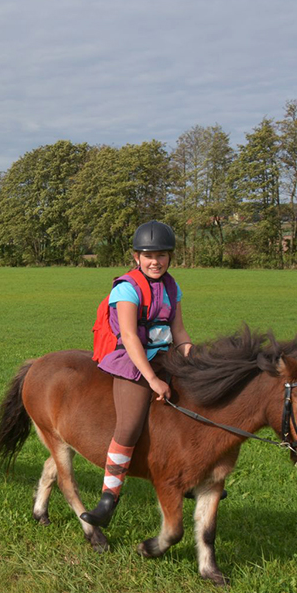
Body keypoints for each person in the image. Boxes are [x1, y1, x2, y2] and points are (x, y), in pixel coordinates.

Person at [80, 221, 193, 528]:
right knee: (129, 426)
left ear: (170, 257)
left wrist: (189, 351)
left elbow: (178, 329)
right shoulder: (127, 288)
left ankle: (190, 477)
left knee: (193, 405)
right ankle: (108, 499)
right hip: (132, 360)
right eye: (148, 255)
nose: (155, 261)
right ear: (136, 257)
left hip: (164, 356)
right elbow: (130, 337)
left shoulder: (172, 286)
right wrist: (153, 380)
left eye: (161, 255)